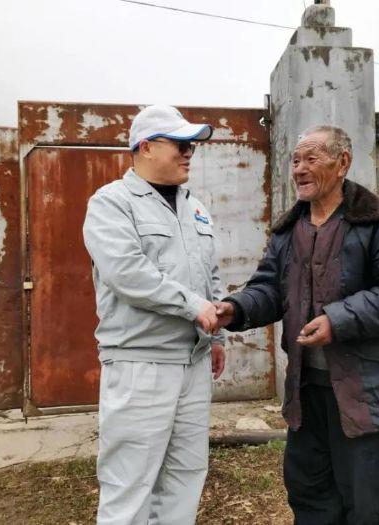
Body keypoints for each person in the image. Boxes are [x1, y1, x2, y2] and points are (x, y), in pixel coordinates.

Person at [215, 125, 379, 524]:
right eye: (295, 160)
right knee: (310, 493)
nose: (299, 169)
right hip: (308, 390)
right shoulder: (289, 231)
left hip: (368, 391)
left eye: (311, 158)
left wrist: (337, 320)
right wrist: (237, 307)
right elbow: (269, 288)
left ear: (342, 163)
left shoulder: (378, 223)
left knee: (371, 505)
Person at [83, 104, 226, 525]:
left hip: (193, 363)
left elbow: (211, 275)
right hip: (141, 363)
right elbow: (127, 272)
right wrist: (194, 307)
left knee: (186, 475)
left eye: (193, 146)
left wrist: (217, 337)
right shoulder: (112, 203)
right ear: (145, 147)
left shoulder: (195, 207)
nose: (189, 153)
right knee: (129, 483)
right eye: (181, 144)